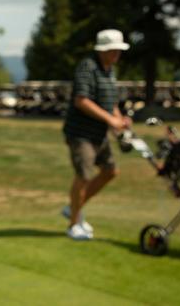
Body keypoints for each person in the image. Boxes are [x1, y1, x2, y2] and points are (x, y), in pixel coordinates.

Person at [61, 29, 131, 240]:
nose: (117, 54)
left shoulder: (110, 71)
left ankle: (73, 207)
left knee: (110, 171)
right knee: (83, 176)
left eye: (119, 50)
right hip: (81, 134)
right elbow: (81, 100)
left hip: (98, 134)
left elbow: (111, 103)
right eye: (113, 50)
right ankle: (74, 224)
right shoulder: (88, 67)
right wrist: (110, 120)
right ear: (103, 50)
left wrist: (119, 119)